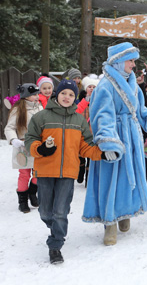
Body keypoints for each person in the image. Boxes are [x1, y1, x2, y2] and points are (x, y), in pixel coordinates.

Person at [82, 42, 147, 246]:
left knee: (128, 177)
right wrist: (108, 142)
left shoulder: (133, 84)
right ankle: (109, 222)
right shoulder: (105, 85)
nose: (134, 64)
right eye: (131, 60)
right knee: (111, 178)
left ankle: (124, 213)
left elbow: (140, 111)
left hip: (132, 137)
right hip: (115, 138)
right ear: (119, 61)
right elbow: (101, 116)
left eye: (134, 60)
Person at [25, 79, 104, 264]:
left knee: (60, 212)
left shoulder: (79, 120)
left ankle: (55, 245)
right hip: (44, 171)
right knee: (45, 212)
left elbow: (86, 146)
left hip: (68, 173)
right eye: (64, 93)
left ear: (75, 97)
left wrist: (102, 154)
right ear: (56, 95)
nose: (67, 97)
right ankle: (56, 228)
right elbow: (30, 139)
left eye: (71, 94)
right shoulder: (41, 117)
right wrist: (40, 148)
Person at [4, 83, 43, 213]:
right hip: (23, 147)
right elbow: (9, 127)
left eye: (38, 94)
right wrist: (13, 139)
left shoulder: (40, 107)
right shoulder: (18, 110)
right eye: (34, 95)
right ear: (26, 96)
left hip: (37, 146)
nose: (37, 97)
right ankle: (22, 200)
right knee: (24, 174)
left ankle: (32, 193)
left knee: (38, 173)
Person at [75, 76, 100, 185]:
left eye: (94, 87)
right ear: (86, 89)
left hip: (93, 133)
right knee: (80, 155)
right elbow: (77, 112)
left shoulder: (99, 101)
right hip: (82, 133)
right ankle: (80, 170)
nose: (92, 89)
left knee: (91, 156)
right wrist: (85, 101)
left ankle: (88, 178)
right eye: (89, 87)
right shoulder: (82, 101)